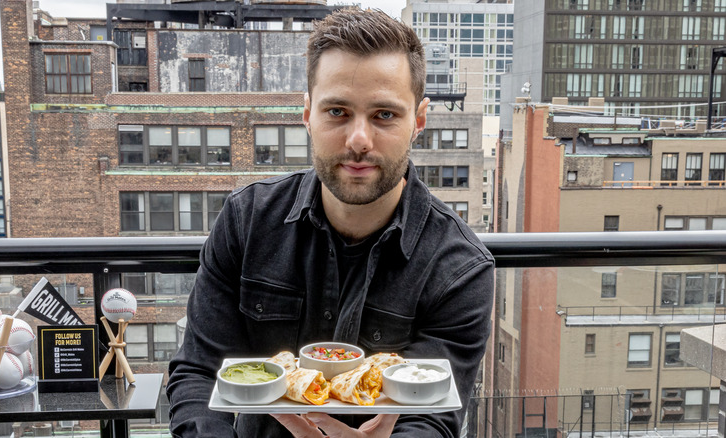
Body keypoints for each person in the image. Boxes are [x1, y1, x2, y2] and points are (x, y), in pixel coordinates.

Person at [166, 8, 494, 438]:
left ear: (419, 121)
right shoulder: (246, 222)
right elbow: (198, 374)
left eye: (384, 115)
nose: (359, 139)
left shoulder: (459, 267)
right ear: (307, 115)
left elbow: (432, 417)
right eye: (338, 111)